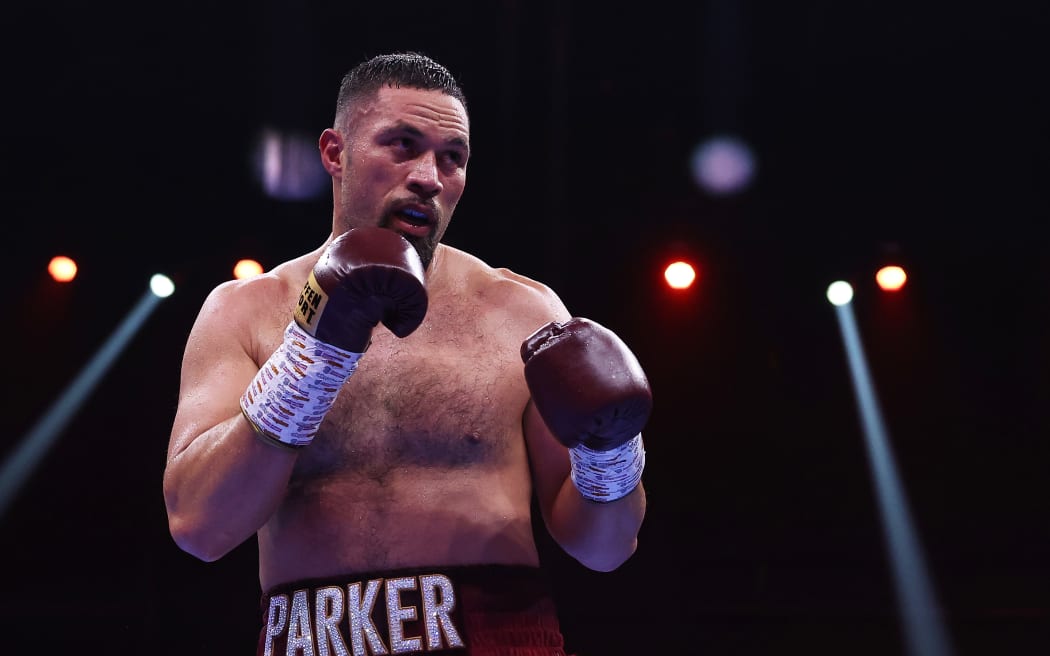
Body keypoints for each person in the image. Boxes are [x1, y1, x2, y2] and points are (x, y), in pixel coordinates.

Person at [163, 51, 653, 656]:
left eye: (453, 157)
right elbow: (198, 527)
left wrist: (611, 453)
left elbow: (603, 551)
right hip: (308, 638)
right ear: (335, 153)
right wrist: (307, 362)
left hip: (492, 635)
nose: (429, 176)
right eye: (403, 144)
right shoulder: (246, 311)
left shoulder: (522, 313)